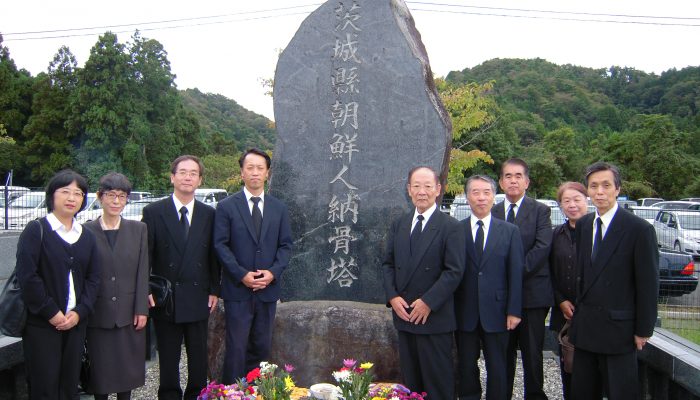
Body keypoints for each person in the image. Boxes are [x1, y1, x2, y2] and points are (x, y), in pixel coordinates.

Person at [570, 162, 659, 399]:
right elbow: (582, 272)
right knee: (582, 391)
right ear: (587, 191)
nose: (599, 192)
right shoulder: (585, 225)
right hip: (586, 327)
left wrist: (643, 329)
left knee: (621, 392)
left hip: (619, 330)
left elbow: (648, 284)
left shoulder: (638, 230)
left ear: (617, 189)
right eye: (594, 186)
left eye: (606, 185)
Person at [16, 169, 100, 399]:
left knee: (69, 385)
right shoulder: (37, 230)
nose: (72, 198)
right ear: (52, 195)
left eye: (79, 193)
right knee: (44, 385)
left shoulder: (87, 235)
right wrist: (51, 311)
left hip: (75, 323)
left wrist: (79, 312)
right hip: (43, 324)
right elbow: (28, 276)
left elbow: (94, 278)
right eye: (65, 191)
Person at [382, 166, 465, 400]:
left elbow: (454, 271)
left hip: (434, 318)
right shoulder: (400, 224)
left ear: (438, 189)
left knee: (437, 384)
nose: (422, 191)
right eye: (416, 186)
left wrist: (428, 302)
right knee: (411, 384)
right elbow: (388, 264)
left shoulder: (451, 226)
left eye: (428, 186)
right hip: (405, 316)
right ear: (408, 190)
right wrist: (392, 297)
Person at [142, 155, 221, 400]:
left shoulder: (209, 214)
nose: (188, 177)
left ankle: (197, 395)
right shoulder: (154, 211)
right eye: (183, 172)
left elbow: (213, 256)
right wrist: (146, 288)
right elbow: (146, 254)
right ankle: (168, 395)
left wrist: (214, 289)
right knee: (168, 355)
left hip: (198, 294)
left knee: (198, 355)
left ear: (200, 179)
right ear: (172, 176)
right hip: (166, 296)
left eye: (193, 173)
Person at [213, 148, 293, 382]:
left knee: (262, 347)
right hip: (237, 291)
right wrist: (241, 274)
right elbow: (220, 245)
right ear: (242, 173)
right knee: (236, 347)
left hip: (267, 291)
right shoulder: (227, 206)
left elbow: (286, 245)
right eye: (250, 168)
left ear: (268, 173)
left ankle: (259, 392)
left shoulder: (279, 208)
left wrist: (273, 273)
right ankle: (234, 393)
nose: (255, 173)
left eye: (260, 168)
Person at [455, 175, 524, 400]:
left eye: (486, 192)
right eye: (475, 192)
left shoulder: (509, 231)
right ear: (467, 197)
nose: (481, 197)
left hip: (498, 310)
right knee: (466, 364)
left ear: (494, 196)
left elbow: (515, 273)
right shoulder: (457, 230)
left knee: (498, 364)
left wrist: (514, 310)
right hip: (465, 310)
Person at [83, 173, 149, 400]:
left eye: (122, 196)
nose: (116, 201)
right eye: (111, 195)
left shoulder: (138, 230)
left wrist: (141, 308)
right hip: (97, 311)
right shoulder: (86, 231)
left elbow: (143, 271)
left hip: (128, 310)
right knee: (100, 369)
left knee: (126, 367)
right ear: (100, 197)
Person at [492, 158, 551, 400]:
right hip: (500, 298)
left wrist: (512, 274)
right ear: (500, 182)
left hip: (532, 296)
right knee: (502, 353)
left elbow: (541, 247)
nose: (513, 180)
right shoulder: (493, 212)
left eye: (518, 176)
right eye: (508, 176)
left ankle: (534, 396)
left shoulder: (540, 211)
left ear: (526, 181)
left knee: (532, 353)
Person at [548, 182, 588, 400]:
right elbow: (549, 272)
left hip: (592, 314)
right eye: (567, 201)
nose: (572, 205)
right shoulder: (556, 235)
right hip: (564, 314)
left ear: (586, 200)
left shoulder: (597, 233)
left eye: (577, 200)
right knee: (568, 364)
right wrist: (560, 300)